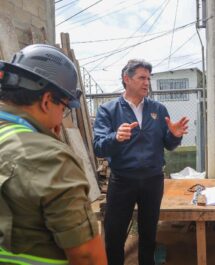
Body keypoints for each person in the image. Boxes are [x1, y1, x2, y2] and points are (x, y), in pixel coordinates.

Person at [0, 44, 106, 264]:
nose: (61, 117)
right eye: (64, 108)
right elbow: (86, 255)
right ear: (47, 101)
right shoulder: (50, 157)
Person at [93, 59, 189, 265]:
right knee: (115, 235)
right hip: (122, 181)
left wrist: (175, 136)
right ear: (126, 79)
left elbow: (169, 145)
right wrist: (115, 137)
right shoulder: (108, 110)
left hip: (153, 181)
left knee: (148, 234)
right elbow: (99, 146)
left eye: (149, 78)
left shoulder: (158, 109)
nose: (147, 83)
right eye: (142, 78)